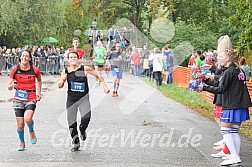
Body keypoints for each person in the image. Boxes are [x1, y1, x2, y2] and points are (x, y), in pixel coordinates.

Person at [198, 35, 251, 166]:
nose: (219, 58)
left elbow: (221, 89)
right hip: (240, 104)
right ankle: (234, 155)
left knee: (226, 130)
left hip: (232, 105)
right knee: (233, 131)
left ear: (228, 58)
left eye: (221, 56)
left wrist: (204, 87)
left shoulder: (228, 72)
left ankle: (233, 155)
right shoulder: (238, 70)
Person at [58, 51, 110, 152]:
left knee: (86, 117)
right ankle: (76, 142)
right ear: (68, 60)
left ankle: (82, 130)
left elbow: (98, 74)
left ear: (79, 59)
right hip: (71, 100)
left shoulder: (84, 69)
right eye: (71, 57)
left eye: (74, 57)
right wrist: (62, 81)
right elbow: (59, 85)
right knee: (71, 122)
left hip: (83, 99)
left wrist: (105, 86)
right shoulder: (65, 71)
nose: (73, 59)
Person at [8, 49, 42, 151]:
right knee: (20, 124)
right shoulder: (15, 70)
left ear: (30, 58)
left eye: (26, 56)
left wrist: (38, 93)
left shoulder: (35, 70)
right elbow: (9, 85)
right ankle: (22, 142)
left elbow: (39, 81)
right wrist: (11, 86)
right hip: (18, 98)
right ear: (20, 57)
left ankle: (31, 130)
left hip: (30, 97)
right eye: (23, 56)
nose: (24, 58)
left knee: (27, 119)